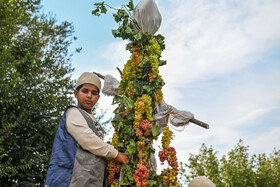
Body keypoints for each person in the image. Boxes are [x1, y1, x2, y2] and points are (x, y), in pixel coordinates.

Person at [45, 72, 129, 187]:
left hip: (90, 181)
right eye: (85, 91)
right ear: (76, 93)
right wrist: (116, 154)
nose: (89, 95)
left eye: (94, 93)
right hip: (72, 181)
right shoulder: (73, 112)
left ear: (98, 98)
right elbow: (88, 140)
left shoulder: (93, 120)